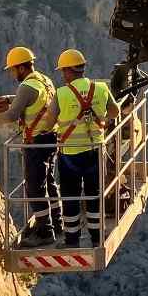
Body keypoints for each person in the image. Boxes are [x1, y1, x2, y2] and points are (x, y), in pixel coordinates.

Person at [37, 49, 119, 248]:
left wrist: (40, 129)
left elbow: (48, 124)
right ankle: (97, 239)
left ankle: (72, 241)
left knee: (71, 198)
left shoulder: (62, 93)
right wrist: (101, 119)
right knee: (94, 196)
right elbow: (115, 111)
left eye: (63, 71)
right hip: (95, 151)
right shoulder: (100, 88)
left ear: (67, 71)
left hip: (70, 156)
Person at [0, 46, 59, 248]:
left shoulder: (26, 86)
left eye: (12, 70)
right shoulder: (44, 81)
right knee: (49, 182)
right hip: (51, 138)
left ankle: (45, 231)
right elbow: (35, 101)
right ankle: (57, 223)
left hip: (36, 143)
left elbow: (11, 116)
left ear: (20, 68)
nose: (11, 73)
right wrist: (9, 98)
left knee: (34, 187)